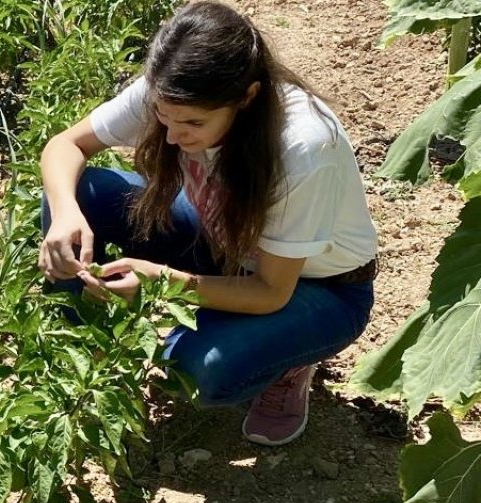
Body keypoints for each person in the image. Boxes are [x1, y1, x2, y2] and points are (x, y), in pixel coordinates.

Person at [37, 1, 377, 447]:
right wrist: (65, 212)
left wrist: (165, 282)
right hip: (226, 245)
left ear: (246, 98)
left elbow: (271, 291)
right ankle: (76, 350)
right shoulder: (173, 92)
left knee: (202, 369)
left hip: (318, 288)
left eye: (195, 123)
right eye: (163, 116)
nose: (174, 136)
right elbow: (66, 145)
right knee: (84, 193)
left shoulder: (302, 147)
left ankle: (287, 363)